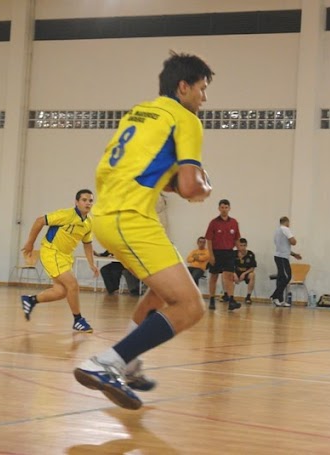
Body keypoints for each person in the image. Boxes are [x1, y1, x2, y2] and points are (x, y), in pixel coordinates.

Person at [73, 51, 214, 409]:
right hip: (132, 217)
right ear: (184, 87)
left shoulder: (139, 113)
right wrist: (204, 187)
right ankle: (107, 362)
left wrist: (173, 183)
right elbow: (191, 186)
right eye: (202, 88)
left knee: (161, 293)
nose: (204, 98)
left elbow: (144, 169)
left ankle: (131, 364)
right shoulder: (186, 119)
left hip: (108, 213)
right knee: (191, 306)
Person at [20, 189, 98, 333]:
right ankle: (78, 320)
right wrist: (30, 243)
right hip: (51, 252)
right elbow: (39, 221)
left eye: (90, 200)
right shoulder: (66, 214)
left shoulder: (89, 222)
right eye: (84, 200)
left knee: (61, 291)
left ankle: (30, 300)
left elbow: (87, 244)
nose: (88, 203)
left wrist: (91, 264)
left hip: (66, 257)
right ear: (77, 202)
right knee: (72, 284)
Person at [205, 199, 241, 311]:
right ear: (219, 208)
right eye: (222, 207)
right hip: (216, 252)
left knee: (229, 277)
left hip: (229, 253)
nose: (224, 209)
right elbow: (209, 240)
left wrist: (239, 250)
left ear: (229, 208)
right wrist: (211, 255)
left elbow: (237, 238)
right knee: (214, 276)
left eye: (226, 207)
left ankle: (231, 300)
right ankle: (211, 299)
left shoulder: (234, 222)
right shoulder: (214, 223)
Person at [270, 216, 302, 307]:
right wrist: (293, 239)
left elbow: (283, 247)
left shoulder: (277, 231)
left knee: (281, 278)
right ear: (287, 222)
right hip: (282, 258)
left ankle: (280, 300)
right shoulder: (285, 229)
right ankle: (274, 296)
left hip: (279, 256)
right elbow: (293, 242)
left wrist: (294, 254)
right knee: (287, 277)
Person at [234, 238, 257, 305]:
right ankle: (227, 295)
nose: (243, 247)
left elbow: (252, 268)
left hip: (246, 273)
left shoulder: (250, 254)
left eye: (244, 245)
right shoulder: (234, 253)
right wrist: (234, 274)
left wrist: (244, 273)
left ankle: (248, 297)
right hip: (235, 272)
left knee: (252, 275)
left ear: (246, 245)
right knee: (225, 274)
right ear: (238, 246)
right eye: (241, 245)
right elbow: (229, 266)